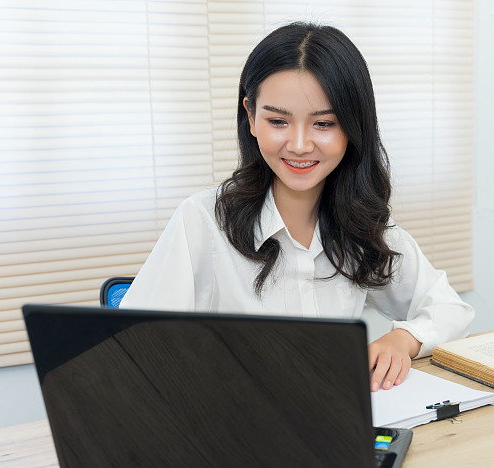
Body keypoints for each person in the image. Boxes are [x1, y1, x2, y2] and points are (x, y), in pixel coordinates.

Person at [121, 22, 474, 392]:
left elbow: (451, 309)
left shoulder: (362, 225)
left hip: (333, 425)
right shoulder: (202, 222)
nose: (301, 145)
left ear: (353, 127)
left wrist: (402, 339)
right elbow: (129, 350)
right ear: (251, 116)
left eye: (323, 123)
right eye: (278, 121)